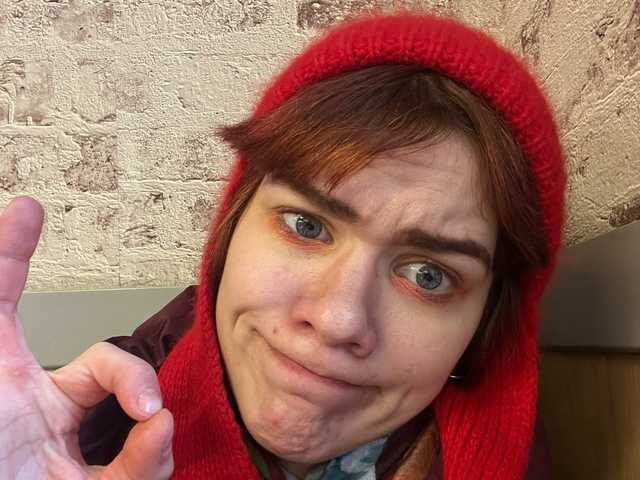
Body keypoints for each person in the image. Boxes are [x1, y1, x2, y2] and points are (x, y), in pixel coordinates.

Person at [0, 10, 566, 480]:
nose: (339, 319)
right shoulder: (92, 427)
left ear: (485, 324)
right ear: (230, 229)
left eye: (428, 275)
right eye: (307, 226)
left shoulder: (517, 458)